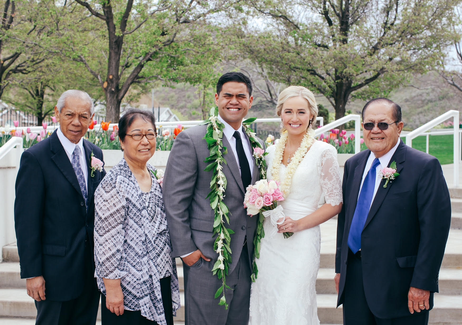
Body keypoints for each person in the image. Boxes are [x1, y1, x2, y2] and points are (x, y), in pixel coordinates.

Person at [335, 98, 451, 325]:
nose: (375, 130)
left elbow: (435, 232)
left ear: (399, 127)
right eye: (369, 125)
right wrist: (341, 269)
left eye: (383, 124)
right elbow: (345, 222)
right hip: (355, 283)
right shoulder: (353, 165)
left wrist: (423, 283)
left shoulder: (424, 167)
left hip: (400, 286)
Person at [163, 72, 263, 325]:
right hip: (207, 257)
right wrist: (187, 251)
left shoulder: (255, 143)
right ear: (217, 98)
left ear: (250, 101)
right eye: (228, 95)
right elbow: (174, 199)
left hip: (245, 257)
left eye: (241, 96)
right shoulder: (193, 139)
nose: (234, 101)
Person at [248, 86, 343, 324]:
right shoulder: (269, 152)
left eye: (301, 112)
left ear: (311, 114)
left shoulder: (324, 152)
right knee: (265, 296)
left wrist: (298, 224)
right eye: (288, 111)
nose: (294, 118)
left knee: (293, 299)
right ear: (280, 113)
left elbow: (335, 203)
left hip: (302, 240)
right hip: (269, 239)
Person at [14, 90, 105, 324]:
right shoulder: (36, 157)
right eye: (70, 115)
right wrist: (33, 273)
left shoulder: (95, 153)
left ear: (91, 118)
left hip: (89, 271)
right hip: (55, 274)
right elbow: (26, 223)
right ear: (57, 114)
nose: (77, 122)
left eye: (84, 116)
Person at [94, 109, 180, 325]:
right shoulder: (114, 183)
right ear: (122, 141)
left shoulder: (151, 172)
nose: (145, 141)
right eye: (137, 135)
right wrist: (112, 288)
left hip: (158, 279)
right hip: (128, 287)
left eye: (150, 134)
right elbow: (106, 242)